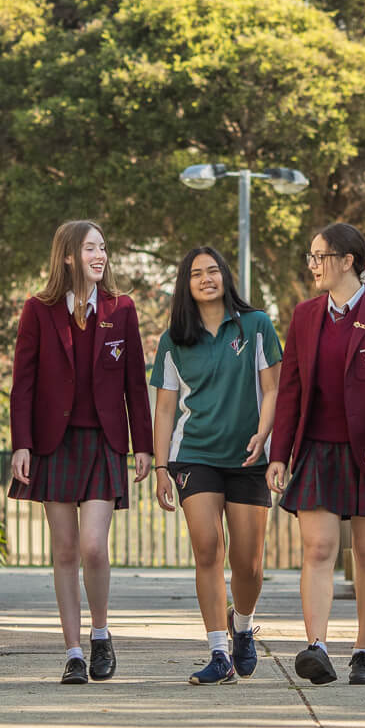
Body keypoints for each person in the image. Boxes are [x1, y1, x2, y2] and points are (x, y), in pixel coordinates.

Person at [266, 222, 365, 687]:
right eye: (309, 257)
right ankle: (317, 648)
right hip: (317, 451)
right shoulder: (305, 315)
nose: (312, 265)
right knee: (319, 549)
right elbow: (289, 390)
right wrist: (279, 454)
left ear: (347, 260)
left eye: (319, 256)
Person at [9, 221, 152, 685]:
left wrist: (144, 446)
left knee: (93, 546)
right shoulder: (38, 310)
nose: (100, 255)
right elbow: (23, 384)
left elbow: (134, 382)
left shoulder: (121, 309)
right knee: (65, 549)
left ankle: (100, 633)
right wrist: (22, 444)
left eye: (103, 248)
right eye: (90, 248)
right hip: (54, 443)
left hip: (106, 443)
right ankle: (73, 651)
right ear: (68, 256)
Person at [150, 245, 282, 686]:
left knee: (248, 565)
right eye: (196, 274)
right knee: (207, 549)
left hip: (248, 458)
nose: (206, 278)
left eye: (213, 271)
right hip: (196, 456)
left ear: (225, 276)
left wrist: (263, 437)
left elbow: (273, 389)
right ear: (185, 285)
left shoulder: (257, 324)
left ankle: (241, 626)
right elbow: (165, 409)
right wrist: (162, 466)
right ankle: (218, 653)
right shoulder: (174, 340)